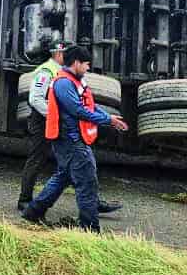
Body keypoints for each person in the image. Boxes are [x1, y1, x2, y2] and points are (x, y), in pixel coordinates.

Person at [21, 45, 129, 232]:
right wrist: (107, 119)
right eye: (86, 64)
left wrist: (107, 117)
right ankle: (90, 229)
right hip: (70, 140)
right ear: (77, 63)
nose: (88, 68)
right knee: (87, 182)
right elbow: (78, 110)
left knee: (63, 177)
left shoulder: (75, 80)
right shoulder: (64, 83)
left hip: (71, 139)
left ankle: (33, 212)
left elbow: (89, 105)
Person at [19, 41, 66, 211]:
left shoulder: (58, 70)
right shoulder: (47, 71)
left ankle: (93, 201)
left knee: (73, 159)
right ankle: (24, 200)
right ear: (58, 54)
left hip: (51, 121)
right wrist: (54, 116)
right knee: (36, 160)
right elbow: (35, 99)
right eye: (65, 53)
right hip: (42, 121)